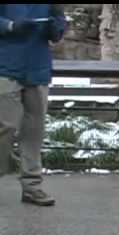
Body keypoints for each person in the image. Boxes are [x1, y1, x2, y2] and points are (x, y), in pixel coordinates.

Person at [0, 4, 66, 206]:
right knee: (6, 127)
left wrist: (55, 21)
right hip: (5, 66)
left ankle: (32, 187)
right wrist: (11, 26)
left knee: (34, 131)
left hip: (38, 69)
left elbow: (57, 33)